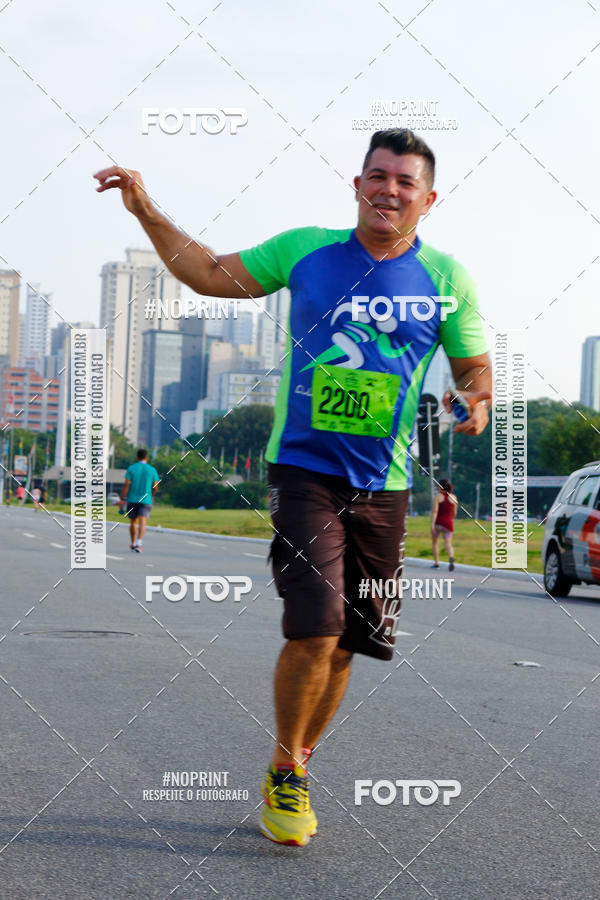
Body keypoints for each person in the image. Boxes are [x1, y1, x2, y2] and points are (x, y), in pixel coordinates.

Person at [94, 128, 492, 847]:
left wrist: (475, 401)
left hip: (386, 485)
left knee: (351, 644)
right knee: (317, 624)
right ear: (357, 184)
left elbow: (474, 371)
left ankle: (299, 759)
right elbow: (211, 272)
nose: (389, 190)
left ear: (427, 199)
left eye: (405, 182)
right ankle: (287, 769)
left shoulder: (448, 280)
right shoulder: (307, 250)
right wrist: (146, 210)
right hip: (304, 472)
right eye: (377, 175)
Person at [119, 449, 160, 553]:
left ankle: (132, 543)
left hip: (132, 499)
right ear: (147, 458)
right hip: (146, 499)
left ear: (137, 457)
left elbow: (127, 484)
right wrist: (152, 494)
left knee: (133, 521)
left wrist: (123, 497)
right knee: (143, 521)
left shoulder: (131, 468)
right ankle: (139, 544)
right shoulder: (152, 469)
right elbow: (155, 486)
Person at [431, 478, 458, 570]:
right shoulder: (454, 497)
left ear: (440, 487)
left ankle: (436, 563)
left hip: (438, 523)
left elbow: (435, 511)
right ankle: (451, 557)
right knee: (448, 544)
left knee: (435, 543)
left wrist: (432, 524)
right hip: (448, 524)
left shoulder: (437, 496)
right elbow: (454, 513)